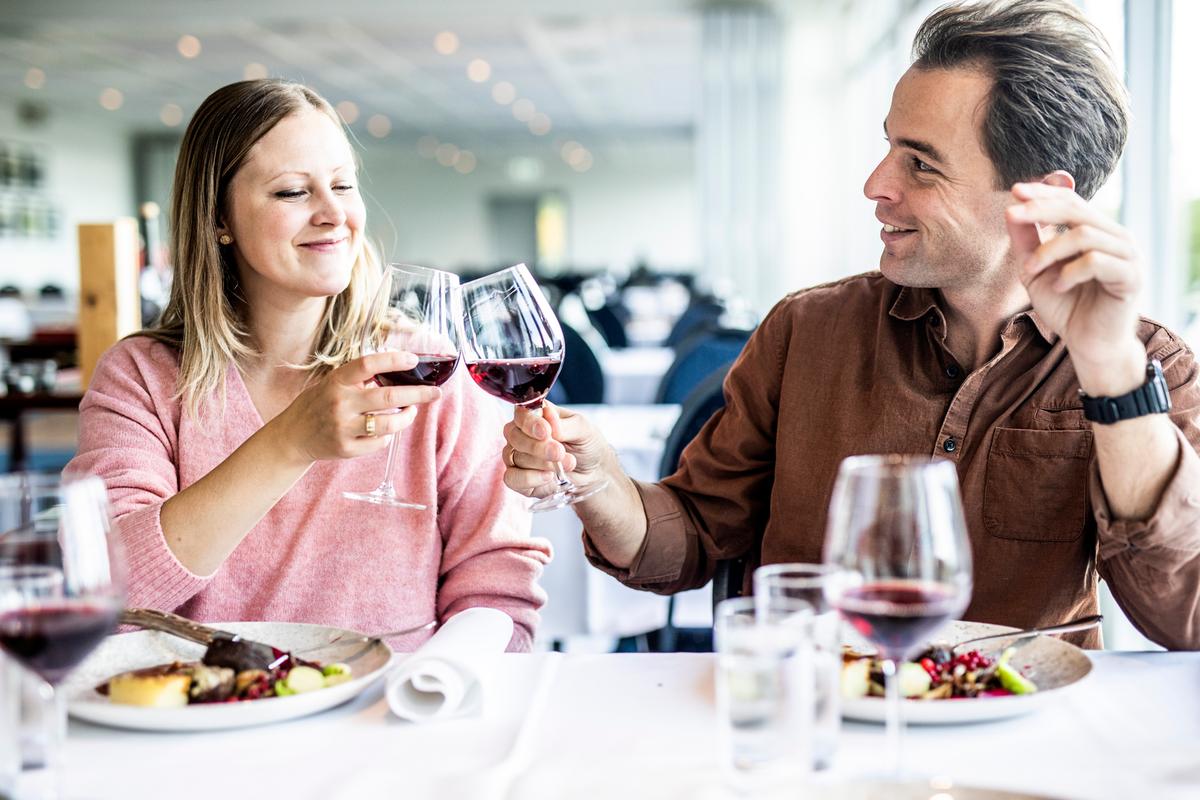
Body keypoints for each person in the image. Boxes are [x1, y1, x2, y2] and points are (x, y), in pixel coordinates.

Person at [502, 0, 1200, 650]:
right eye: (890, 146)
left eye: (920, 164)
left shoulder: (1147, 364)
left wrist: (1111, 370)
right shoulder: (806, 331)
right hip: (810, 725)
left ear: (1039, 203)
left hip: (1020, 742)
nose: (875, 183)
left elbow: (1183, 615)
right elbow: (688, 539)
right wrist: (597, 483)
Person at [66, 80, 550, 651]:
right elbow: (106, 599)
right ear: (218, 218)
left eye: (343, 185)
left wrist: (435, 688)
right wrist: (292, 441)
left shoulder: (426, 365)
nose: (334, 214)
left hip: (392, 716)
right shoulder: (141, 376)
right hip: (205, 716)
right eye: (293, 192)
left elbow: (498, 595)